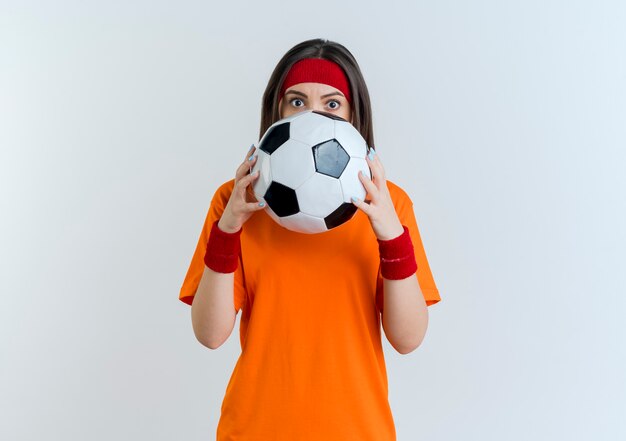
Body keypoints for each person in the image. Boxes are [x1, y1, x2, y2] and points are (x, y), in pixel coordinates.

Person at [179, 38, 441, 441]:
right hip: (254, 430)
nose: (313, 115)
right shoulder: (234, 202)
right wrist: (228, 228)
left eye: (332, 104)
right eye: (297, 102)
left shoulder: (390, 206)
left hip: (358, 431)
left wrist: (391, 236)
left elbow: (407, 339)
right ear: (278, 113)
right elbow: (210, 335)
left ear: (354, 116)